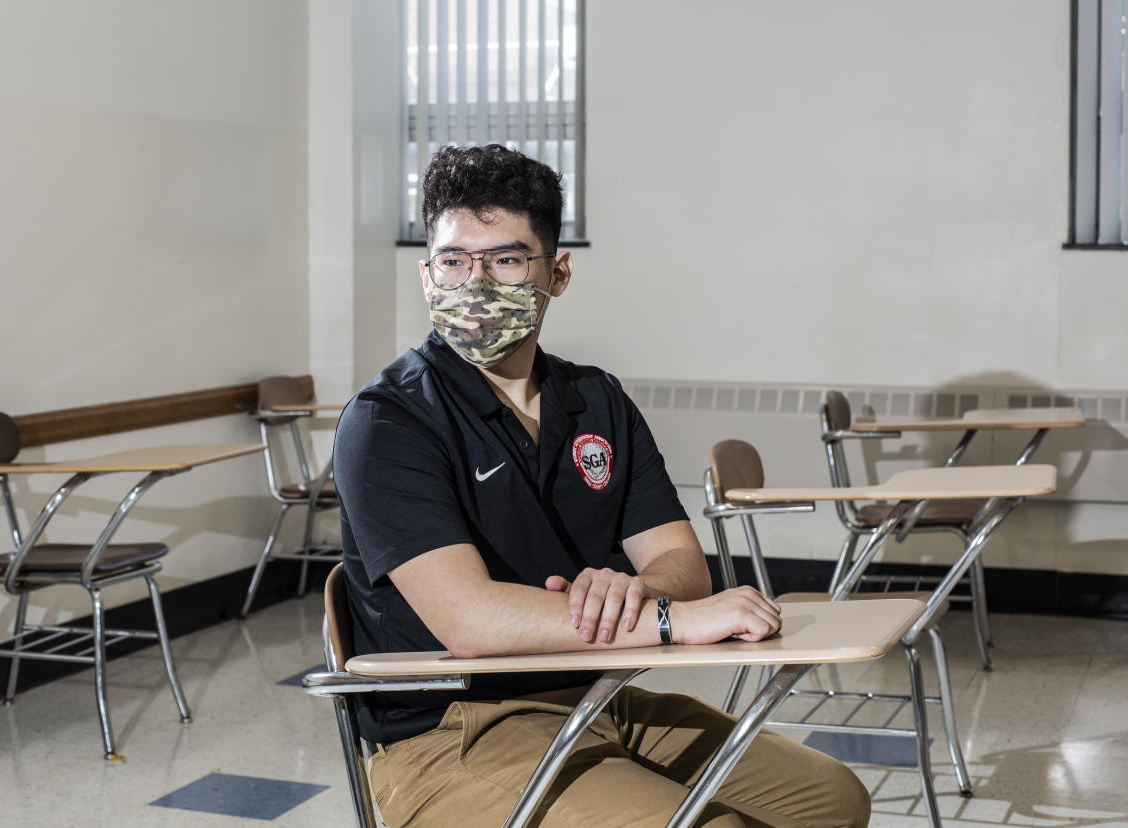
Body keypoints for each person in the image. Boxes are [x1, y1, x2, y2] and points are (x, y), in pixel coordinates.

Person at [332, 144, 871, 828]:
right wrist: (670, 621)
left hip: (597, 694)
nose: (474, 281)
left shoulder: (596, 399)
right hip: (452, 732)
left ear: (556, 273)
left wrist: (642, 591)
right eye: (453, 260)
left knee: (831, 802)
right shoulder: (389, 420)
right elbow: (469, 622)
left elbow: (680, 563)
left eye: (504, 259)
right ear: (425, 273)